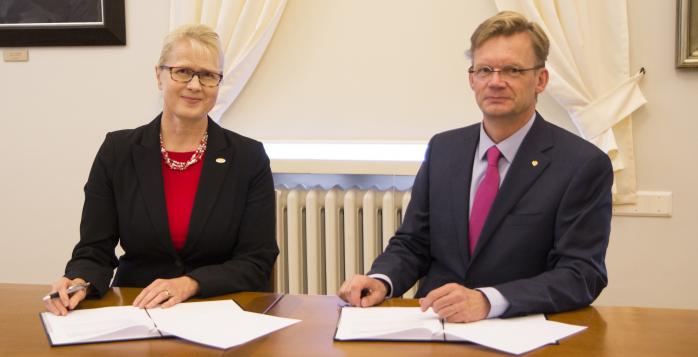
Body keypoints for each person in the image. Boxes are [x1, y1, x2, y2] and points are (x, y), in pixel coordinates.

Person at [338, 11, 613, 322]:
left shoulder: (583, 164)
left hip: (521, 329)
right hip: (435, 325)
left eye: (512, 70)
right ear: (472, 79)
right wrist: (382, 280)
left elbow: (581, 274)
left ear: (541, 80)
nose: (496, 82)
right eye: (485, 70)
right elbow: (414, 241)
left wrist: (488, 300)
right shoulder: (444, 149)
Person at [44, 24, 278, 315]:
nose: (194, 85)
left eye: (207, 75)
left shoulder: (248, 157)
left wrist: (190, 283)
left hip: (220, 309)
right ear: (159, 75)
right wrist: (79, 281)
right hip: (137, 307)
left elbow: (257, 260)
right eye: (182, 71)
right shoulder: (118, 151)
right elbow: (94, 249)